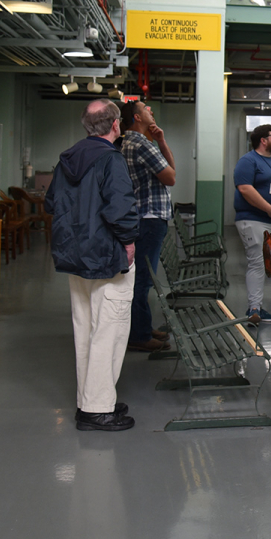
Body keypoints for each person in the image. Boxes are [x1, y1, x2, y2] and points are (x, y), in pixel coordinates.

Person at [44, 99, 140, 431]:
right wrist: (128, 242)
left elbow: (50, 203)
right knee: (108, 332)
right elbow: (120, 210)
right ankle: (97, 409)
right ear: (116, 125)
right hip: (107, 256)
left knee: (84, 328)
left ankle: (91, 399)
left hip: (75, 256)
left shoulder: (66, 159)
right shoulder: (111, 160)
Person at [118, 100, 176, 353]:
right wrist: (160, 143)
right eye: (146, 109)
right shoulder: (140, 144)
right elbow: (171, 176)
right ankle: (139, 335)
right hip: (149, 218)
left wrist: (161, 141)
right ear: (136, 117)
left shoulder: (134, 142)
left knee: (143, 276)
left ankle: (141, 325)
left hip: (145, 217)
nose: (151, 110)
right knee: (143, 278)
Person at [233, 124, 271, 324]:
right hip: (254, 219)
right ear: (263, 140)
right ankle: (254, 309)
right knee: (257, 262)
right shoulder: (248, 161)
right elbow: (245, 188)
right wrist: (268, 207)